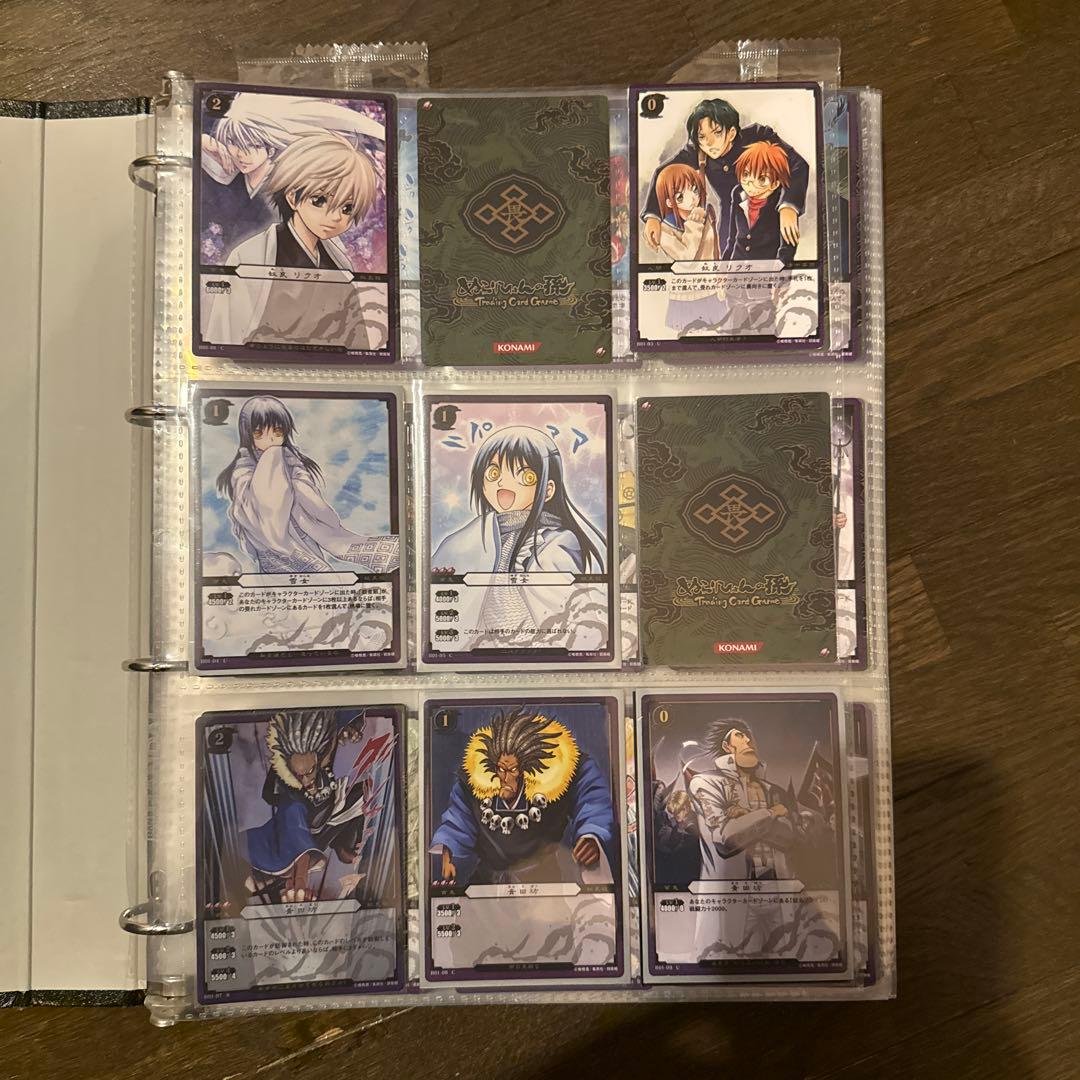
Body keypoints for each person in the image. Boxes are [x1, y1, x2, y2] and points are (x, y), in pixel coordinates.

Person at [203, 132, 388, 351]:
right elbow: (226, 334)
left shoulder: (340, 262)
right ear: (292, 197)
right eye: (319, 200)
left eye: (347, 208)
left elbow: (356, 340)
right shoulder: (250, 256)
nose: (335, 217)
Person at [431, 426, 606, 647]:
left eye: (526, 477)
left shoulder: (557, 542)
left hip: (540, 648)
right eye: (494, 474)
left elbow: (570, 612)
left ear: (548, 490)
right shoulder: (473, 536)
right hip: (485, 647)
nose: (504, 483)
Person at [214, 395, 399, 575]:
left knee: (319, 576)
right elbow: (252, 510)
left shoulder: (292, 462)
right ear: (247, 434)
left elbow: (312, 499)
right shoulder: (244, 469)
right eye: (259, 433)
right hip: (269, 542)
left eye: (277, 432)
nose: (270, 439)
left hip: (301, 532)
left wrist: (297, 485)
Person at [429, 707, 615, 886]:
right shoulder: (476, 785)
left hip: (544, 879)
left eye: (512, 770)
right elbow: (458, 818)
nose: (505, 778)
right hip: (487, 881)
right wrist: (448, 851)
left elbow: (591, 796)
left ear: (525, 770)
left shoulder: (559, 779)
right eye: (501, 769)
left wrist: (591, 834)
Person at [200, 92, 386, 254]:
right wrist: (203, 142)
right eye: (233, 143)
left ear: (270, 147)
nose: (242, 154)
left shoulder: (288, 188)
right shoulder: (229, 176)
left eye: (254, 145)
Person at [641, 97, 808, 258]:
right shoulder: (698, 151)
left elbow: (798, 165)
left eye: (717, 132)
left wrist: (789, 206)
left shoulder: (757, 136)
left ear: (732, 133)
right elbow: (663, 172)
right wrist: (652, 216)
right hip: (730, 226)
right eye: (702, 137)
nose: (709, 143)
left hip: (769, 219)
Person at [651, 162, 725, 334]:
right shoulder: (665, 229)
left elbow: (715, 249)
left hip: (712, 291)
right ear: (669, 202)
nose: (692, 198)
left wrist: (720, 274)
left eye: (694, 190)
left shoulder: (706, 214)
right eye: (681, 196)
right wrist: (694, 223)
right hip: (687, 296)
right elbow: (686, 258)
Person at [724, 141, 798, 266]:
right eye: (746, 174)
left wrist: (779, 273)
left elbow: (788, 248)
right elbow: (732, 237)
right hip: (737, 266)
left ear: (775, 184)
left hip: (765, 268)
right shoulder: (738, 194)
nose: (750, 182)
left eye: (762, 179)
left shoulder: (782, 204)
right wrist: (723, 266)